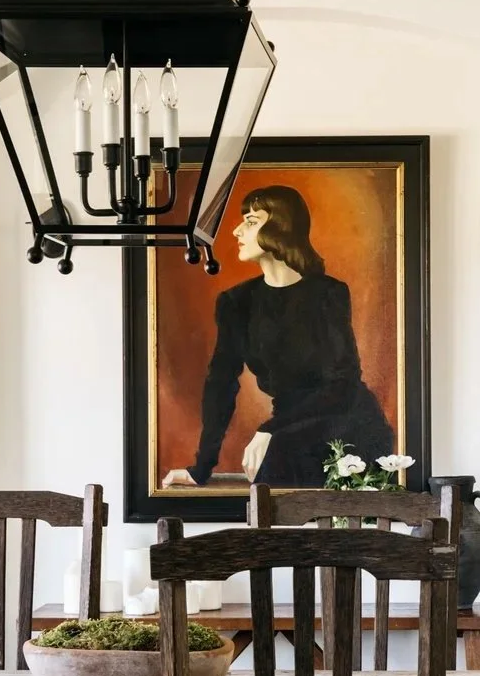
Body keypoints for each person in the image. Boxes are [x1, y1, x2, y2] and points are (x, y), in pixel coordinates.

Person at [162, 184, 394, 488]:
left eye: (251, 221)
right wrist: (201, 467)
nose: (236, 231)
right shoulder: (236, 302)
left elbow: (343, 383)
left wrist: (270, 429)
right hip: (287, 430)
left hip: (347, 424)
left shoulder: (329, 294)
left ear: (280, 227)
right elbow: (221, 383)